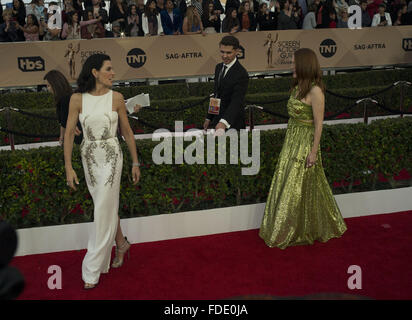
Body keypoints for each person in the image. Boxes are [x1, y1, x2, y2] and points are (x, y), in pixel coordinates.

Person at [64, 54, 141, 289]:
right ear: (95, 72)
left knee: (102, 206)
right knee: (105, 206)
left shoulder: (116, 98)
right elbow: (68, 134)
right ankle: (121, 243)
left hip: (111, 157)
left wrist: (135, 162)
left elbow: (127, 133)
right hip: (89, 157)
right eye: (108, 69)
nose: (113, 73)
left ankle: (92, 268)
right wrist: (68, 167)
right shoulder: (77, 99)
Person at [259, 48, 347, 249]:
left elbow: (318, 123)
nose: (291, 66)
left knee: (295, 185)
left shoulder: (315, 91)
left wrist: (313, 152)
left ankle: (292, 229)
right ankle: (297, 226)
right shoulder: (297, 86)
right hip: (291, 139)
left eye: (294, 62)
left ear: (304, 65)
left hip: (305, 142)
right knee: (290, 181)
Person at [203, 35, 249, 132]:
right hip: (217, 122)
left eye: (228, 53)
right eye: (222, 52)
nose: (224, 56)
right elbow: (216, 94)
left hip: (234, 124)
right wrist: (209, 117)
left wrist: (224, 122)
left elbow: (236, 101)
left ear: (236, 51)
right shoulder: (218, 67)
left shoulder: (241, 73)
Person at [43, 70, 83, 146]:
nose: (48, 89)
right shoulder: (68, 96)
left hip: (76, 136)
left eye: (48, 86)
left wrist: (62, 138)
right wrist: (62, 137)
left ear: (55, 85)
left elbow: (64, 122)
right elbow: (63, 122)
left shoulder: (65, 99)